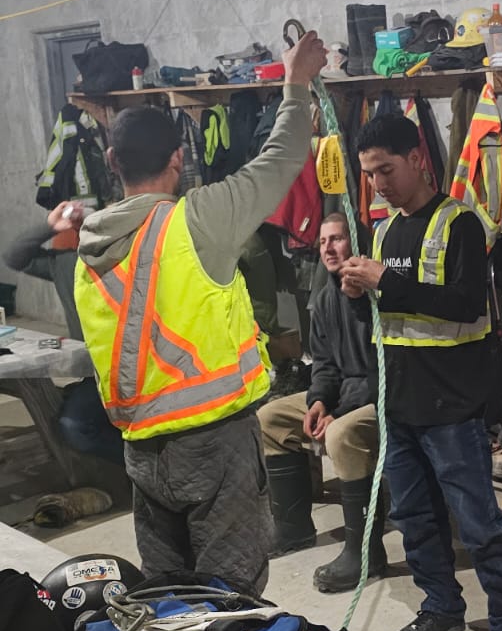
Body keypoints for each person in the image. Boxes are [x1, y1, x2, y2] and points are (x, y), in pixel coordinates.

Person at [74, 30, 325, 594]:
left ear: (112, 161)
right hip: (212, 442)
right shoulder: (196, 222)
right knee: (227, 596)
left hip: (140, 449)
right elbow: (281, 158)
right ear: (180, 158)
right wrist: (296, 82)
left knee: (168, 593)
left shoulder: (89, 247)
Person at [341, 113, 502, 631]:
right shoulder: (381, 231)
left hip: (451, 408)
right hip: (399, 406)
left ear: (417, 159)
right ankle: (441, 607)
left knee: (481, 528)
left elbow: (461, 303)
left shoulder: (461, 223)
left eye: (387, 169)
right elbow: (385, 319)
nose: (379, 183)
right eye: (370, 174)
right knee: (416, 521)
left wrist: (385, 281)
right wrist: (357, 292)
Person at [258, 211, 385, 591]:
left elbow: (383, 371)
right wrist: (318, 402)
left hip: (381, 398)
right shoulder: (326, 298)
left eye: (338, 239)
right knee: (271, 418)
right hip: (345, 396)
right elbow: (325, 364)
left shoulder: (376, 297)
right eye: (324, 240)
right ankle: (293, 527)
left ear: (356, 245)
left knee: (341, 435)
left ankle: (365, 552)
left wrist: (338, 411)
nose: (329, 247)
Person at [3, 201, 123, 464]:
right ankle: (135, 466)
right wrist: (50, 225)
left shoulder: (136, 258)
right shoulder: (68, 264)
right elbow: (14, 256)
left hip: (145, 371)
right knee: (73, 426)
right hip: (99, 377)